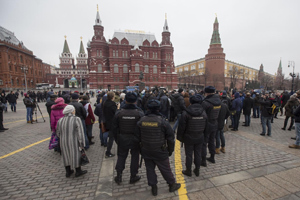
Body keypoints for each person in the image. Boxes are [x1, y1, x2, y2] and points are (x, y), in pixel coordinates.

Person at [137, 99, 181, 196]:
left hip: (146, 150)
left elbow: (138, 136)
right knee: (165, 169)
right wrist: (170, 150)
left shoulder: (141, 121)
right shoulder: (163, 122)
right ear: (158, 109)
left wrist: (141, 149)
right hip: (160, 150)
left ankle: (153, 187)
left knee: (150, 169)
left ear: (147, 108)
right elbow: (170, 137)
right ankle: (172, 184)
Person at [112, 92, 144, 185]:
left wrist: (117, 139)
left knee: (121, 156)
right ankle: (133, 176)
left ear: (125, 101)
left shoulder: (119, 113)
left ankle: (119, 176)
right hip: (135, 139)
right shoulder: (140, 113)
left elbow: (114, 128)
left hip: (122, 137)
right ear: (135, 102)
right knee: (135, 157)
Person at [177, 94, 207, 177]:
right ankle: (197, 170)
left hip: (189, 137)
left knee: (189, 155)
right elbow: (206, 125)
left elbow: (181, 127)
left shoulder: (186, 113)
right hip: (200, 136)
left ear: (191, 102)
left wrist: (180, 137)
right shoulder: (203, 112)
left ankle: (188, 170)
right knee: (197, 153)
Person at [56, 105, 87, 177]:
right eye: (74, 110)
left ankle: (68, 171)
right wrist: (82, 143)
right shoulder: (76, 119)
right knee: (76, 154)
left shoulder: (60, 120)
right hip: (74, 140)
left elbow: (57, 132)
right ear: (72, 111)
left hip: (63, 141)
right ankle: (78, 171)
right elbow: (80, 132)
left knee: (66, 155)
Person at [201, 86, 221, 166]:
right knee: (212, 141)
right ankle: (212, 157)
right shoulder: (219, 101)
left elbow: (202, 114)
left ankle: (203, 160)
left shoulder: (205, 102)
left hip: (207, 124)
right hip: (215, 123)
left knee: (204, 142)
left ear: (207, 93)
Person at [103, 91, 119, 158]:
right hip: (113, 123)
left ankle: (109, 151)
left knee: (113, 137)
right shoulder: (112, 104)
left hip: (107, 122)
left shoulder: (105, 103)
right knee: (112, 138)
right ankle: (108, 152)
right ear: (112, 97)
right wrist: (118, 108)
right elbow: (116, 114)